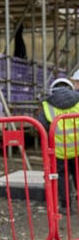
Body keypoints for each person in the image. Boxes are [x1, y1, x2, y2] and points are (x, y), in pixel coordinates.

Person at [37, 76, 79, 214]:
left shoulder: (47, 105)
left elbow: (41, 126)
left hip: (59, 150)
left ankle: (66, 207)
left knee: (62, 177)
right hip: (78, 148)